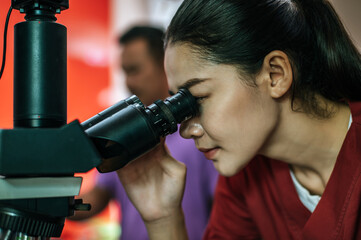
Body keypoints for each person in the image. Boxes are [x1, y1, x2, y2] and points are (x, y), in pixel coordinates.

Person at [115, 0, 361, 239]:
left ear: (275, 75)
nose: (185, 131)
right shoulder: (243, 180)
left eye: (198, 98)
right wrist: (163, 218)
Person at [71, 25, 218, 240]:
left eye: (135, 70)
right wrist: (44, 201)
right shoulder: (124, 135)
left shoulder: (199, 134)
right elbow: (94, 200)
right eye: (124, 72)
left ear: (165, 65)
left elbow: (224, 209)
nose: (128, 83)